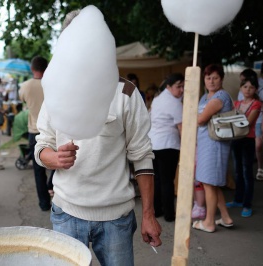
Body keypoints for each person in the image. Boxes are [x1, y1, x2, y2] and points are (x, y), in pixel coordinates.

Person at [34, 10, 162, 265]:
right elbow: (41, 147)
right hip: (66, 212)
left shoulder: (125, 92)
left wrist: (148, 214)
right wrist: (55, 159)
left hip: (116, 218)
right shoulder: (55, 91)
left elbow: (142, 155)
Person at [193, 64, 234, 233]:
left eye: (215, 77)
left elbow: (201, 119)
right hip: (205, 145)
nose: (211, 81)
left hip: (214, 145)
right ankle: (225, 217)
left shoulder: (221, 96)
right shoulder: (205, 97)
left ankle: (209, 222)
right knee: (212, 184)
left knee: (209, 184)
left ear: (222, 79)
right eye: (208, 77)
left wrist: (192, 116)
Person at [148, 73, 184, 222]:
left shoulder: (157, 99)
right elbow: (181, 127)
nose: (181, 90)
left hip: (154, 144)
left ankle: (157, 210)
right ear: (168, 86)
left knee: (157, 179)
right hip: (168, 145)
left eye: (183, 86)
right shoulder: (174, 102)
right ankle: (169, 213)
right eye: (178, 86)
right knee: (167, 180)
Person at [18, 56, 51, 211]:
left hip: (34, 130)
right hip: (53, 130)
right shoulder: (52, 83)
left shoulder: (25, 86)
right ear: (47, 67)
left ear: (32, 69)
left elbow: (23, 100)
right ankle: (52, 187)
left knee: (38, 169)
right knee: (59, 164)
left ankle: (44, 203)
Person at [227, 76, 261, 217]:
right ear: (241, 88)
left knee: (247, 172)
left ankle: (247, 204)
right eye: (245, 87)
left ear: (255, 89)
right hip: (236, 139)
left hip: (248, 140)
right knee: (237, 171)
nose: (248, 90)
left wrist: (234, 118)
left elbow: (246, 122)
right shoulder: (236, 103)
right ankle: (238, 200)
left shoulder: (256, 104)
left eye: (251, 87)